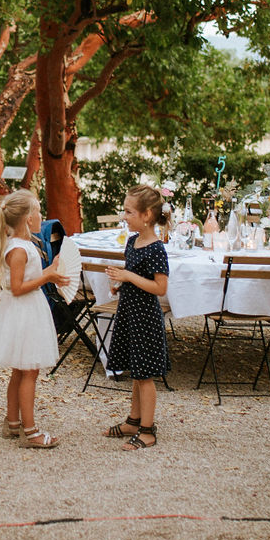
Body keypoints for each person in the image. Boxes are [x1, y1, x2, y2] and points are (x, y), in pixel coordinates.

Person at [0, 190, 70, 449]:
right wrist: (47, 277)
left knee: (20, 369)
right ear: (28, 219)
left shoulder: (25, 245)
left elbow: (29, 279)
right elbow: (17, 287)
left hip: (27, 310)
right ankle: (31, 431)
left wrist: (52, 271)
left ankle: (13, 423)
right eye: (38, 212)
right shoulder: (18, 250)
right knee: (29, 371)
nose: (41, 216)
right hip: (23, 311)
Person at [102, 184, 169, 450]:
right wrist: (120, 283)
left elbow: (160, 288)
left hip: (146, 318)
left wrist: (128, 276)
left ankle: (148, 430)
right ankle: (134, 419)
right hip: (129, 313)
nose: (124, 216)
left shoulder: (156, 249)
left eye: (129, 212)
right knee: (136, 371)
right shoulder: (132, 241)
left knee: (146, 375)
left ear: (147, 215)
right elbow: (135, 278)